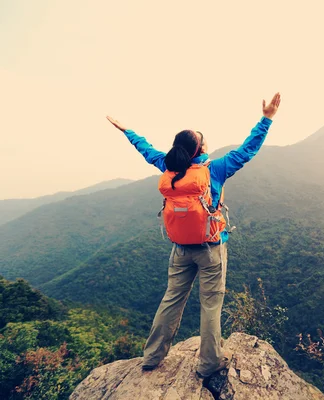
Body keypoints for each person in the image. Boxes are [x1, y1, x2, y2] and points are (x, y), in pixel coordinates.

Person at [106, 92, 281, 378]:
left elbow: (146, 149)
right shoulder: (215, 169)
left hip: (180, 249)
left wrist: (128, 131)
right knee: (210, 304)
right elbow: (248, 150)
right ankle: (209, 362)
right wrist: (267, 118)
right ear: (200, 148)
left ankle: (151, 357)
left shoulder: (168, 166)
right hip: (210, 248)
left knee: (172, 299)